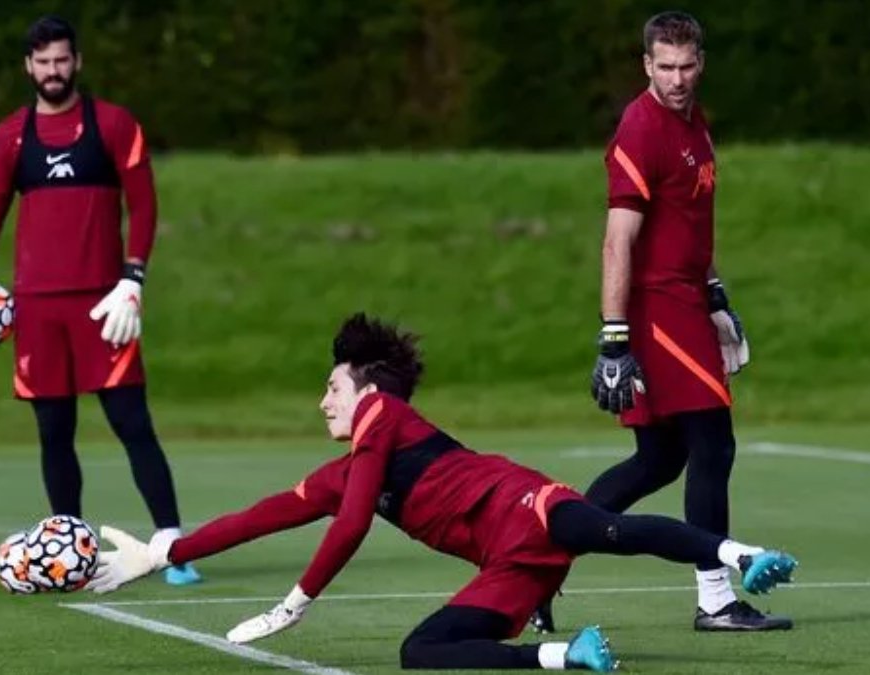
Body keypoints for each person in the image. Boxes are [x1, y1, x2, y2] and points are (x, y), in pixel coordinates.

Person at [86, 314, 798, 672]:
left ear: (364, 386)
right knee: (422, 649)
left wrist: (292, 603)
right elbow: (263, 515)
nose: (321, 400)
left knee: (612, 528)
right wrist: (165, 550)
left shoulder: (382, 416)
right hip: (508, 564)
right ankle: (562, 656)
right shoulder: (351, 463)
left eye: (331, 385)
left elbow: (358, 518)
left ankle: (741, 554)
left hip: (525, 505)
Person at [0, 15, 199, 586]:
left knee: (132, 422)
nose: (54, 71)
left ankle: (173, 545)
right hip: (37, 312)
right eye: (43, 61)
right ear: (28, 66)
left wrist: (133, 280)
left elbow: (144, 207)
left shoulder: (115, 125)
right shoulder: (10, 138)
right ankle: (67, 553)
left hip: (106, 308)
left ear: (77, 61)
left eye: (62, 59)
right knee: (54, 431)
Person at [582, 10, 783, 631]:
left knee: (659, 459)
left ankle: (536, 555)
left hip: (689, 300)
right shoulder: (642, 129)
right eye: (664, 66)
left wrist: (716, 294)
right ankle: (717, 600)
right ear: (646, 65)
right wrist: (614, 338)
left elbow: (688, 224)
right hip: (659, 309)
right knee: (712, 443)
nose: (676, 77)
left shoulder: (693, 121)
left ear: (702, 62)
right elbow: (619, 241)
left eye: (687, 65)